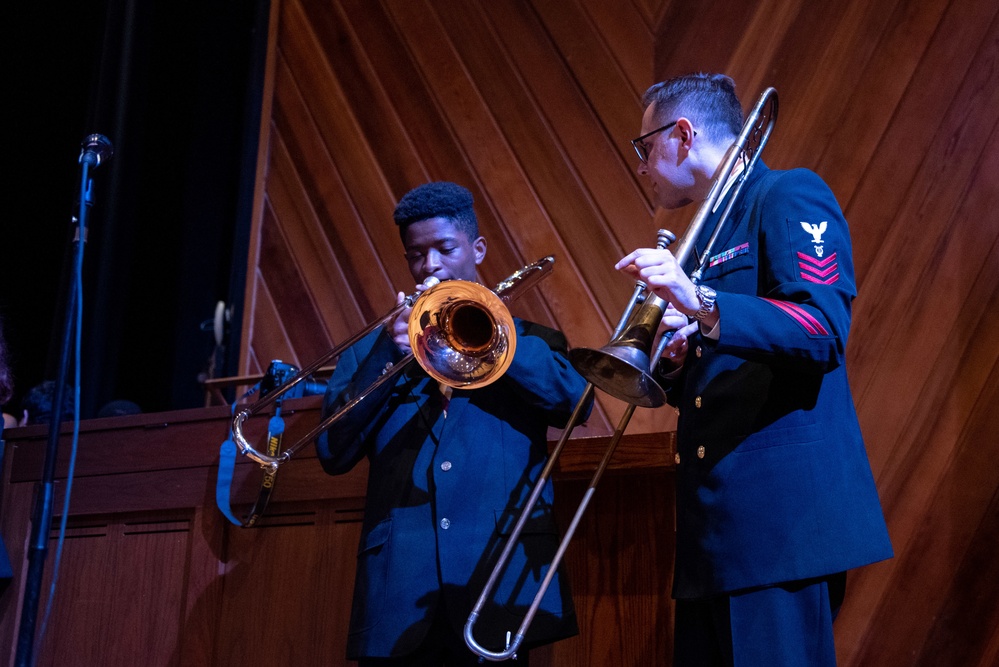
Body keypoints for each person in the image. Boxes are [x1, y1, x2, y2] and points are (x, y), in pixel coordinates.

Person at [616, 73, 893, 666]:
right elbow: (724, 361)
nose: (641, 164)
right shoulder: (707, 230)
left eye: (646, 147)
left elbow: (822, 329)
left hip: (779, 528)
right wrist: (675, 354)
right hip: (715, 531)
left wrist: (704, 305)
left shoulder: (788, 194)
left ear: (683, 135)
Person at [316, 181, 589, 666]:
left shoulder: (531, 340)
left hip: (497, 586)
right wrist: (385, 353)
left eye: (444, 249)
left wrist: (493, 334)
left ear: (476, 249)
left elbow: (575, 404)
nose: (431, 266)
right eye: (416, 256)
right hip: (399, 593)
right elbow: (333, 453)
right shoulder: (373, 353)